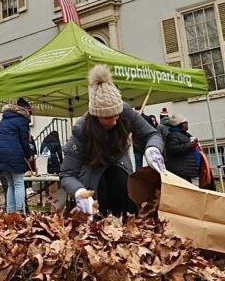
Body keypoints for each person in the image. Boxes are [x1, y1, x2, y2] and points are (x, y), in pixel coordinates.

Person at [60, 65, 166, 217]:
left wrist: (152, 149)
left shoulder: (125, 112)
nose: (115, 121)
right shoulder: (81, 129)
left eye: (117, 115)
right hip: (92, 169)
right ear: (96, 116)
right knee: (100, 190)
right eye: (108, 117)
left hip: (119, 165)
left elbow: (151, 134)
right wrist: (79, 191)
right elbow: (67, 173)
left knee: (123, 187)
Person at [0, 102, 33, 213]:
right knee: (19, 183)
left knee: (11, 184)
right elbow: (24, 140)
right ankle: (20, 213)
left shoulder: (4, 119)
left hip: (0, 154)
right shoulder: (22, 120)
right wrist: (28, 155)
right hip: (13, 153)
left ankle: (10, 213)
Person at [164, 114, 201, 186]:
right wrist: (189, 145)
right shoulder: (173, 135)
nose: (187, 124)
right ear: (179, 124)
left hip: (187, 171)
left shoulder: (186, 135)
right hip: (181, 171)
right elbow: (173, 149)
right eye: (185, 122)